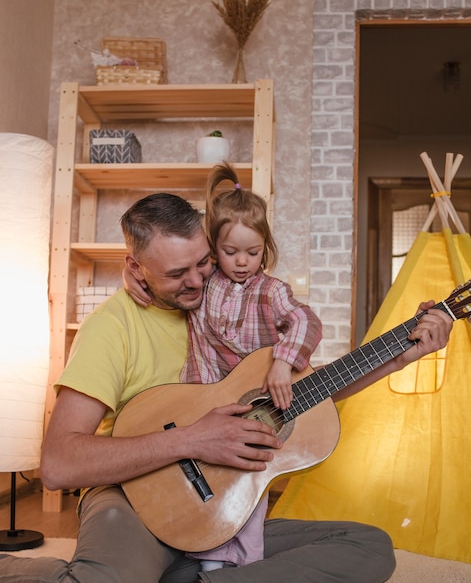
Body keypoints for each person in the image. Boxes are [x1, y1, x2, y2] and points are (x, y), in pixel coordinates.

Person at [0, 192, 453, 583]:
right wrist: (192, 439)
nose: (197, 281)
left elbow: (301, 394)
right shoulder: (112, 328)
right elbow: (58, 465)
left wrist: (400, 355)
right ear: (136, 269)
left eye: (203, 262)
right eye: (178, 273)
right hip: (133, 496)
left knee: (367, 546)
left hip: (218, 510)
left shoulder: (229, 298)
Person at [124, 162, 322, 571]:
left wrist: (284, 363)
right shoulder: (206, 280)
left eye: (253, 252)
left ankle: (233, 564)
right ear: (213, 249)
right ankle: (196, 549)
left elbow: (305, 320)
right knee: (196, 484)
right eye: (230, 252)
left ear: (265, 247)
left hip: (248, 412)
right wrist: (131, 275)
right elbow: (163, 276)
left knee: (248, 484)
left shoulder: (271, 291)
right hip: (197, 404)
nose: (242, 262)